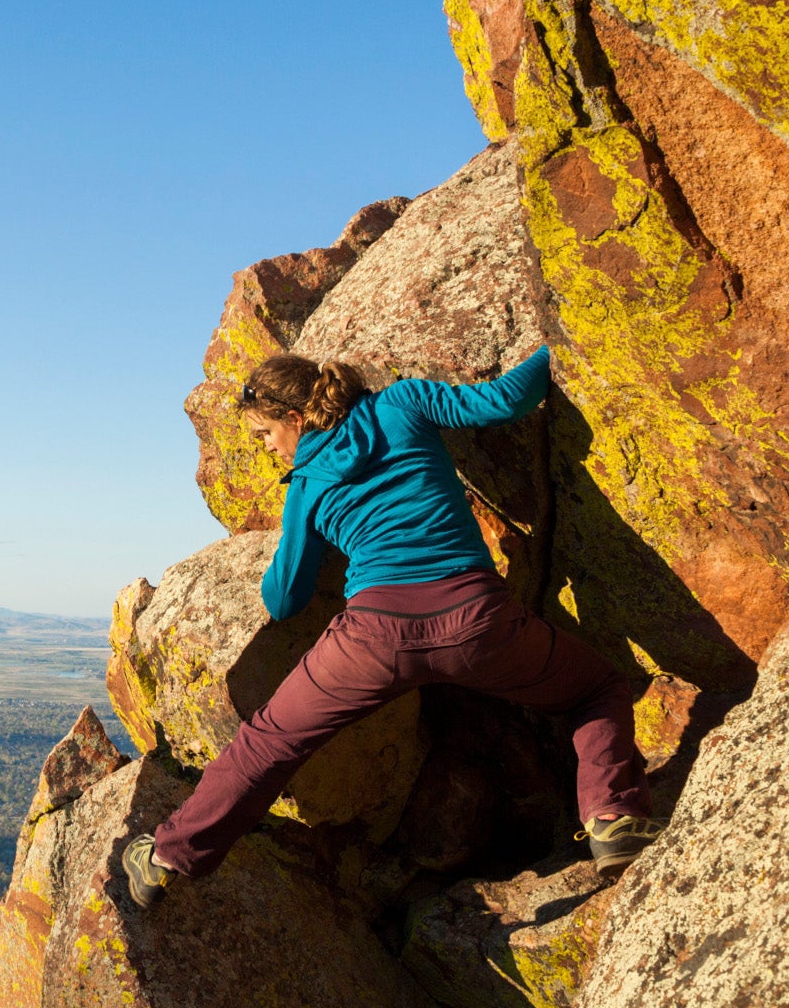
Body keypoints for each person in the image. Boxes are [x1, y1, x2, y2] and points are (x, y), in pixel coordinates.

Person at [123, 346, 663, 908]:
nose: (269, 448)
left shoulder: (306, 485)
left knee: (267, 745)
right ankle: (613, 817)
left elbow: (285, 600)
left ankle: (164, 858)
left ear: (296, 420)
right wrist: (556, 341)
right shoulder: (403, 403)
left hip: (373, 641)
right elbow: (508, 399)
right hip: (477, 622)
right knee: (596, 688)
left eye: (264, 434)